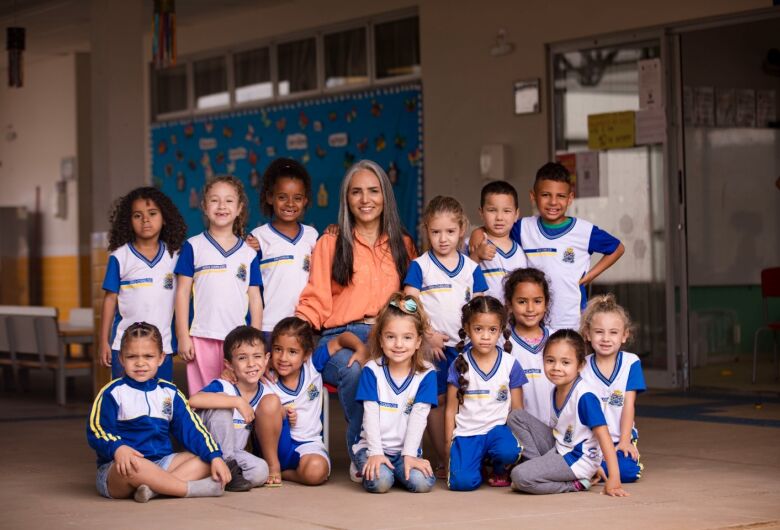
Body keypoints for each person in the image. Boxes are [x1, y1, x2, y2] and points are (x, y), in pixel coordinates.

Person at [295, 160, 416, 481]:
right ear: (346, 199)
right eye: (356, 192)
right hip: (339, 335)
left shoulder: (402, 245)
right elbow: (315, 299)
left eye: (374, 191)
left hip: (389, 336)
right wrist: (294, 341)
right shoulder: (330, 243)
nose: (366, 199)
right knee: (355, 370)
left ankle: (403, 452)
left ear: (386, 196)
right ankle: (362, 448)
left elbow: (414, 296)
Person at [87, 322, 230, 502]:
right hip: (120, 469)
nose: (140, 363)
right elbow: (97, 429)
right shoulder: (113, 392)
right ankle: (186, 488)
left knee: (203, 459)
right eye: (132, 356)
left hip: (162, 463)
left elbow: (192, 429)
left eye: (148, 356)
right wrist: (118, 448)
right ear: (121, 359)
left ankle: (152, 489)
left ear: (161, 358)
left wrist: (215, 456)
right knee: (134, 464)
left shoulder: (169, 393)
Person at [472, 162, 625, 330]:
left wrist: (589, 276)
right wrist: (477, 234)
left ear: (570, 198)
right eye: (545, 195)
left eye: (560, 196)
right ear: (533, 196)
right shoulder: (524, 227)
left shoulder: (583, 230)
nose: (553, 202)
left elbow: (617, 248)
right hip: (533, 322)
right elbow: (496, 228)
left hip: (571, 319)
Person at [404, 195, 488, 477]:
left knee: (466, 402)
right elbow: (408, 303)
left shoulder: (472, 269)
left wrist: (477, 342)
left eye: (450, 232)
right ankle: (444, 458)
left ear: (462, 229)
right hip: (434, 350)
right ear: (426, 230)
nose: (443, 239)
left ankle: (468, 455)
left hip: (465, 350)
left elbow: (481, 310)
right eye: (435, 232)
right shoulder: (420, 265)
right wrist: (426, 335)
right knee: (436, 402)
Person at [508, 329, 629, 496]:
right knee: (516, 416)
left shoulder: (585, 396)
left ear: (580, 365)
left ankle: (576, 484)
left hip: (576, 458)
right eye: (550, 361)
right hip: (561, 446)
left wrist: (614, 478)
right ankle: (536, 468)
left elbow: (604, 437)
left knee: (519, 476)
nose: (556, 368)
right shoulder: (556, 390)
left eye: (565, 363)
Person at [175, 176, 263, 395]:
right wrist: (183, 336)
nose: (222, 206)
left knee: (236, 398)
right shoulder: (193, 247)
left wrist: (256, 340)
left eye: (229, 201)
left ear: (239, 207)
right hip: (201, 337)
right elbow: (183, 293)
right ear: (204, 207)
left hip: (238, 341)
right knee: (204, 398)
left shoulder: (248, 253)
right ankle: (203, 431)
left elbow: (255, 298)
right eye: (215, 200)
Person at [255, 317, 365, 486]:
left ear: (306, 355)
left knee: (316, 472)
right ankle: (272, 466)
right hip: (275, 446)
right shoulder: (263, 373)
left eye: (292, 352)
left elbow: (343, 338)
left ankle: (285, 474)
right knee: (270, 402)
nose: (283, 358)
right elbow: (239, 375)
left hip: (308, 445)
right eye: (278, 349)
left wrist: (360, 348)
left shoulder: (312, 365)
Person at [353, 293, 438, 494]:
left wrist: (409, 455)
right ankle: (367, 465)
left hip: (405, 451)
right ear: (380, 339)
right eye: (391, 337)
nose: (398, 344)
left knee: (422, 483)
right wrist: (375, 453)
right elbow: (370, 415)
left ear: (418, 341)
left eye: (407, 338)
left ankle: (398, 470)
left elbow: (419, 417)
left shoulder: (427, 374)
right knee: (381, 482)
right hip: (372, 447)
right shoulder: (372, 370)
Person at [99, 187, 186, 381]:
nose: (145, 220)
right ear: (129, 222)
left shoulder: (176, 256)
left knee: (161, 400)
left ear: (164, 219)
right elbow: (110, 300)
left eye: (152, 214)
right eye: (137, 215)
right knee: (125, 401)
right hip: (124, 347)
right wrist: (103, 341)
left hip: (162, 346)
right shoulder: (120, 256)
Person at [445, 296, 527, 491]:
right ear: (467, 328)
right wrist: (448, 447)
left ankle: (499, 468)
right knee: (461, 483)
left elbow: (517, 410)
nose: (485, 336)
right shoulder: (458, 364)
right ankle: (476, 464)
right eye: (478, 329)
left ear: (500, 330)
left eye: (492, 330)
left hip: (496, 431)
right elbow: (450, 410)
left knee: (509, 451)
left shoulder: (510, 364)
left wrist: (516, 437)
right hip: (467, 434)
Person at [189, 325, 271, 492]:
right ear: (229, 364)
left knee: (260, 471)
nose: (251, 364)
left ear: (266, 359)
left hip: (235, 453)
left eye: (257, 356)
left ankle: (213, 481)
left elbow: (276, 412)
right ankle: (225, 466)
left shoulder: (266, 394)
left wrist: (288, 413)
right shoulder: (224, 386)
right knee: (222, 406)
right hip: (207, 448)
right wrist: (237, 402)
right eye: (242, 358)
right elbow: (193, 400)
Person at [246, 158, 318, 344]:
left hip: (304, 324)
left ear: (305, 201)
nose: (290, 203)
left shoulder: (312, 235)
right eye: (282, 197)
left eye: (297, 198)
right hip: (269, 325)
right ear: (270, 197)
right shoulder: (258, 237)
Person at [580, 294, 646, 483]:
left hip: (619, 437)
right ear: (587, 334)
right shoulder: (582, 366)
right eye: (599, 332)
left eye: (613, 332)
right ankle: (596, 467)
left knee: (628, 472)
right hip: (591, 440)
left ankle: (595, 469)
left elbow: (628, 405)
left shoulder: (631, 363)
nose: (606, 338)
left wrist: (625, 440)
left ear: (625, 335)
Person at [504, 268, 556, 425]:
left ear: (546, 303)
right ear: (509, 304)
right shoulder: (501, 342)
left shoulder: (557, 339)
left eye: (537, 301)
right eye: (522, 302)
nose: (530, 309)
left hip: (556, 430)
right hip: (519, 431)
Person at [468, 181, 527, 301]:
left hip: (513, 318)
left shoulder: (521, 252)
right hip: (484, 316)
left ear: (516, 214)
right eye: (492, 210)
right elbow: (462, 277)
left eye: (506, 211)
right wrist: (476, 255)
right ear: (481, 213)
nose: (499, 217)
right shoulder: (474, 243)